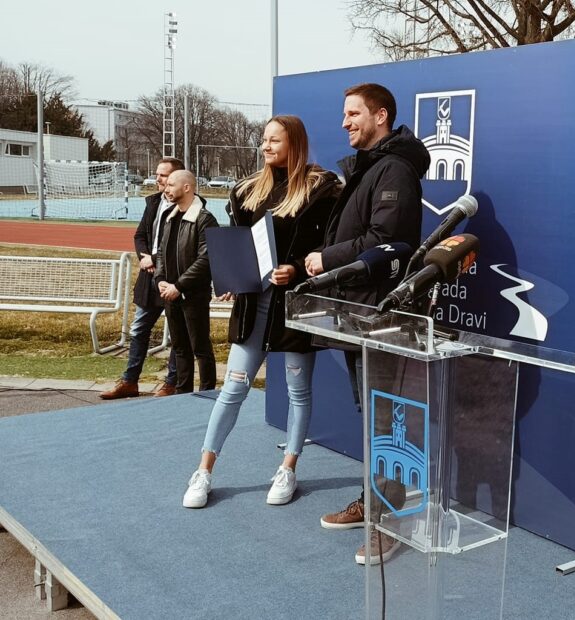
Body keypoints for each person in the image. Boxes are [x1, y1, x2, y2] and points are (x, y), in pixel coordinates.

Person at [182, 115, 341, 509]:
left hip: (298, 308)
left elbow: (331, 247)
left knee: (298, 392)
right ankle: (203, 471)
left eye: (274, 140)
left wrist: (298, 267)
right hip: (254, 308)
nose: (266, 146)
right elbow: (238, 246)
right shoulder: (247, 190)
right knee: (233, 389)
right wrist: (230, 278)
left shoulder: (322, 188)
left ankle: (288, 468)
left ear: (294, 143)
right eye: (264, 139)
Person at [306, 83, 429, 564]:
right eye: (344, 114)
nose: (344, 122)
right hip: (358, 313)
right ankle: (373, 503)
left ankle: (390, 522)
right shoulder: (371, 166)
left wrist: (328, 258)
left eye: (353, 114)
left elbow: (387, 240)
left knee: (386, 423)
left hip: (382, 317)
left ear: (381, 116)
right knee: (374, 418)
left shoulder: (395, 169)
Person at [100, 158, 181, 399]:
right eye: (157, 174)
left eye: (163, 175)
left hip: (174, 280)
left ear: (177, 178)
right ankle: (130, 382)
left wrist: (154, 258)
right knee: (139, 330)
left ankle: (171, 383)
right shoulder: (153, 202)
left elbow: (180, 244)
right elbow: (140, 235)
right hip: (149, 278)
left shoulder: (190, 205)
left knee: (178, 335)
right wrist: (145, 257)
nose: (158, 179)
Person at [153, 170, 218, 395]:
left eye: (171, 184)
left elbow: (206, 259)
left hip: (193, 295)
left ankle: (207, 393)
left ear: (187, 187)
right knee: (180, 347)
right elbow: (161, 252)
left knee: (200, 347)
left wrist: (179, 286)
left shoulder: (204, 219)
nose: (166, 188)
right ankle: (183, 394)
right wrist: (160, 279)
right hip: (170, 293)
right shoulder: (169, 216)